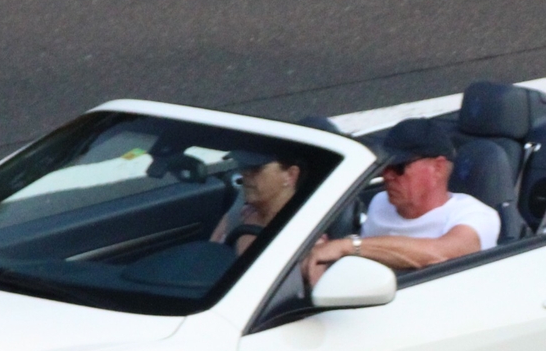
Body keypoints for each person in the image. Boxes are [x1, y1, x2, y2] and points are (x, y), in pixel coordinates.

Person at [306, 117, 497, 283]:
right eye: (385, 166)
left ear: (437, 168)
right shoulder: (380, 204)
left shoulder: (475, 216)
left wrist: (347, 246)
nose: (387, 176)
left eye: (398, 167)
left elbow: (442, 253)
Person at [211, 146, 304, 253]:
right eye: (243, 165)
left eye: (256, 168)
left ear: (290, 175)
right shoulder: (239, 214)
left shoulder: (304, 236)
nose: (245, 173)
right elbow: (210, 255)